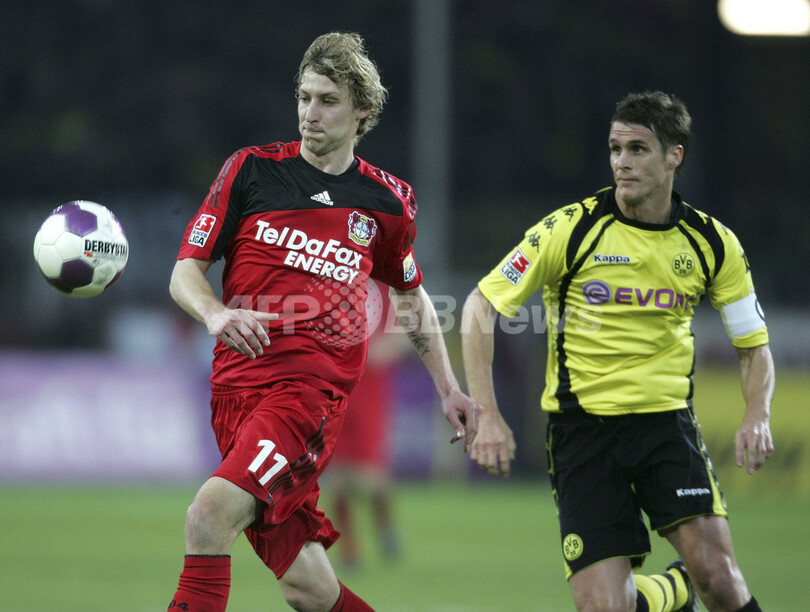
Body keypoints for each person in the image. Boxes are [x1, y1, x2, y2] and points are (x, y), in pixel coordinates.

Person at [167, 32, 480, 612]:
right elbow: (185, 271)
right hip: (233, 392)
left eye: (328, 101)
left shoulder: (385, 202)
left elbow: (410, 297)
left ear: (363, 111)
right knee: (308, 588)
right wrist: (215, 311)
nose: (310, 113)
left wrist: (449, 388)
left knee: (208, 517)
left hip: (305, 399)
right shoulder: (251, 171)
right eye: (304, 97)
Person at [460, 91, 774, 612]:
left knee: (720, 580)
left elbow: (753, 345)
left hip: (666, 425)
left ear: (674, 156)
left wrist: (758, 413)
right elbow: (480, 305)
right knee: (607, 607)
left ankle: (688, 585)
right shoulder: (571, 228)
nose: (621, 162)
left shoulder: (713, 243)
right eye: (615, 149)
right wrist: (488, 414)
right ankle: (673, 592)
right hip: (583, 433)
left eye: (637, 149)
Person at [324, 279, 408, 568]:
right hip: (333, 386)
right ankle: (349, 549)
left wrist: (382, 350)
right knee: (337, 474)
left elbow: (410, 325)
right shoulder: (327, 276)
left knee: (371, 477)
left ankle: (385, 525)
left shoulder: (388, 282)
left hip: (370, 387)